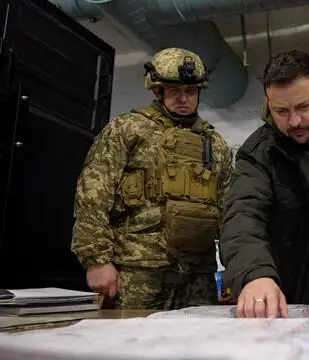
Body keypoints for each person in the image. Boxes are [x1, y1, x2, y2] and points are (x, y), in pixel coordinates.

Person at [71, 48, 233, 310]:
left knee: (196, 348)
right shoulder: (128, 128)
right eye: (174, 91)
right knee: (127, 347)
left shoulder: (215, 144)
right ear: (157, 91)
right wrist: (96, 259)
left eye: (190, 91)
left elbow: (229, 210)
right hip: (138, 269)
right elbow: (92, 193)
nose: (184, 99)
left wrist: (235, 270)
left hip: (198, 275)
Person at [220, 50, 309, 318]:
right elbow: (242, 216)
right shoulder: (259, 153)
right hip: (294, 297)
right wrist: (255, 274)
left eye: (303, 107)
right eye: (281, 111)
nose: (294, 121)